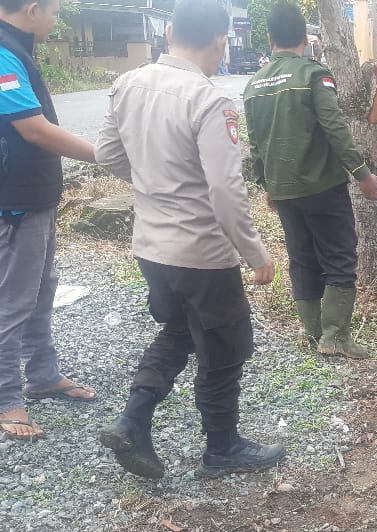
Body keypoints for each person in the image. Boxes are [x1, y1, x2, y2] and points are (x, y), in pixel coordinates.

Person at [94, 0, 283, 479]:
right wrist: (255, 253)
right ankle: (222, 448)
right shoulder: (210, 99)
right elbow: (225, 189)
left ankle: (132, 420)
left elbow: (107, 154)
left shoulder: (125, 85)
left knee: (178, 331)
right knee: (224, 346)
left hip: (151, 246)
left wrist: (156, 185)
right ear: (221, 41)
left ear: (171, 31)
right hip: (202, 252)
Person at [243, 2, 377, 358]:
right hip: (322, 186)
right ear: (305, 37)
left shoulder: (254, 84)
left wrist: (267, 184)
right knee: (338, 256)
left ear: (270, 38)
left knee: (302, 257)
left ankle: (312, 332)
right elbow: (334, 127)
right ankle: (335, 336)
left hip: (284, 190)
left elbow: (255, 144)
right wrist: (362, 174)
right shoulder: (313, 75)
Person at [0, 0, 99, 441]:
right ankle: (7, 401)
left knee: (43, 289)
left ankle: (43, 374)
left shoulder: (17, 49)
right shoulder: (2, 52)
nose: (57, 21)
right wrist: (106, 156)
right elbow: (33, 129)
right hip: (15, 201)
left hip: (36, 197)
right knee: (14, 300)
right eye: (56, 12)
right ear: (33, 9)